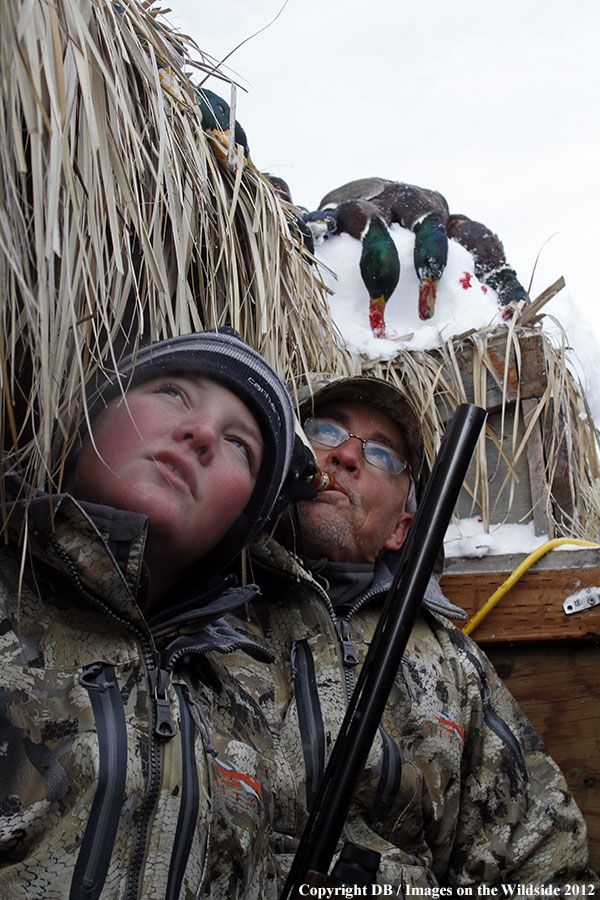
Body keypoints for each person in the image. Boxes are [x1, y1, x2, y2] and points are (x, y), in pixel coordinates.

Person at [225, 372, 599, 893]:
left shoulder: (453, 667)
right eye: (326, 429)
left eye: (381, 454)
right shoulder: (195, 605)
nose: (346, 456)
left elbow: (545, 867)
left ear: (402, 528)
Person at [0, 328, 306, 899]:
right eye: (171, 392)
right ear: (94, 411)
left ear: (240, 521)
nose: (202, 433)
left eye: (241, 445)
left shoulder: (250, 688)